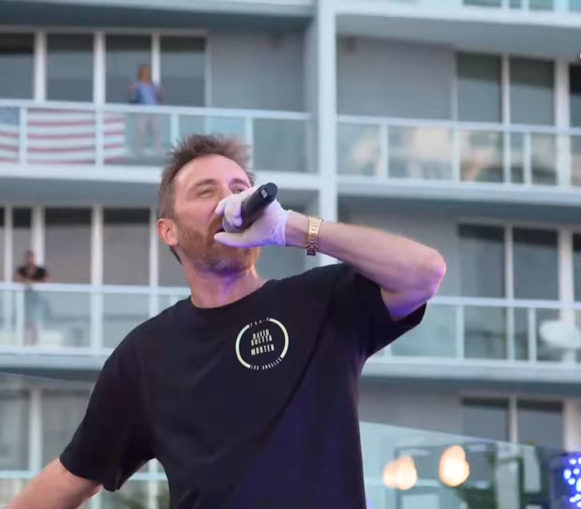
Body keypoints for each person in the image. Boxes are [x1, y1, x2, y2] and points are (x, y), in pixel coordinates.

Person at [9, 134, 446, 508]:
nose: (228, 201)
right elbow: (72, 476)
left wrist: (293, 228)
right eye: (206, 191)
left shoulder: (321, 301)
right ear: (168, 231)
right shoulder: (145, 355)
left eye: (239, 188)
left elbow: (424, 273)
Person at [14, 249, 50, 345]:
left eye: (31, 258)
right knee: (25, 323)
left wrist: (33, 283)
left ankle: (34, 344)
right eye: (27, 258)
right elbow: (17, 279)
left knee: (34, 323)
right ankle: (24, 343)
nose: (29, 260)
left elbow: (47, 281)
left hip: (36, 301)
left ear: (33, 259)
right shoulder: (21, 270)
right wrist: (26, 282)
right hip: (24, 300)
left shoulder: (40, 270)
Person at [129, 64, 164, 156]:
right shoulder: (137, 83)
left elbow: (159, 96)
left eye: (147, 72)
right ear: (141, 73)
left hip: (154, 110)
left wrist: (160, 94)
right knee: (141, 130)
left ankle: (158, 149)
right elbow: (132, 95)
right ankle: (138, 149)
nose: (146, 73)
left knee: (157, 130)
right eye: (144, 72)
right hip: (143, 111)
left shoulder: (152, 85)